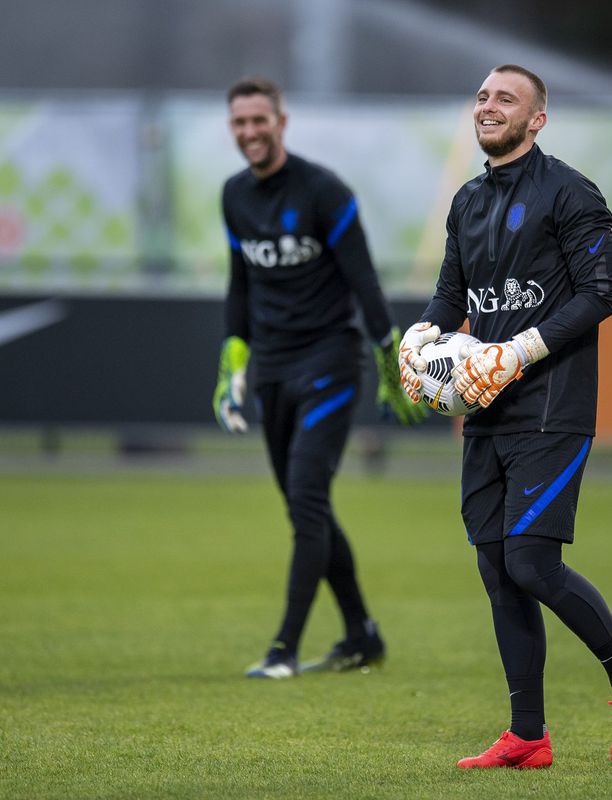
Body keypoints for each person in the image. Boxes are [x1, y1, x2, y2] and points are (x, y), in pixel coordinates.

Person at [399, 64, 612, 767]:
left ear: (536, 119)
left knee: (533, 564)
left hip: (552, 407)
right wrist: (421, 335)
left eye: (505, 99)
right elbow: (450, 293)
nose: (488, 106)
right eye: (482, 96)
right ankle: (528, 736)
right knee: (496, 569)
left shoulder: (572, 193)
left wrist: (522, 348)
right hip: (485, 408)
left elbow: (601, 293)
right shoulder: (467, 200)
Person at [215, 76, 425, 679]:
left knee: (306, 498)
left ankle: (284, 649)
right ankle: (362, 634)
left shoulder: (323, 190)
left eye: (260, 120)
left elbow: (364, 280)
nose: (250, 132)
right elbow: (239, 286)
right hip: (274, 369)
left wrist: (390, 359)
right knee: (306, 508)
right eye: (239, 123)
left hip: (331, 360)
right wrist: (233, 360)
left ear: (282, 121)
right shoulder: (233, 196)